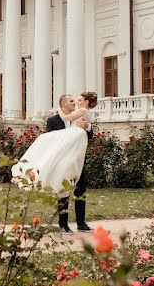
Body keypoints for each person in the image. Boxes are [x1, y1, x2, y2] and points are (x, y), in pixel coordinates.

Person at [12, 91, 98, 234]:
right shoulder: (53, 121)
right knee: (63, 190)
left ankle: (81, 223)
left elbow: (89, 135)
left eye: (76, 100)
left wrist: (88, 126)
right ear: (63, 103)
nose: (74, 103)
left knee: (80, 190)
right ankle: (63, 224)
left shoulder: (80, 115)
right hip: (61, 162)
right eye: (71, 101)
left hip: (77, 161)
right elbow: (50, 141)